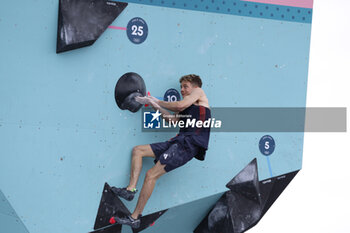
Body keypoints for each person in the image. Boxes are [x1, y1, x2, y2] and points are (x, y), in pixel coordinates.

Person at [110, 74, 211, 228]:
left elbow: (178, 106)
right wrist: (153, 104)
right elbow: (171, 120)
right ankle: (130, 190)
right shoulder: (187, 106)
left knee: (151, 175)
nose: (182, 90)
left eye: (185, 86)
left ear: (195, 86)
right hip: (178, 141)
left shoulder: (199, 92)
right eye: (181, 87)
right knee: (138, 151)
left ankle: (135, 218)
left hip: (189, 144)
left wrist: (157, 100)